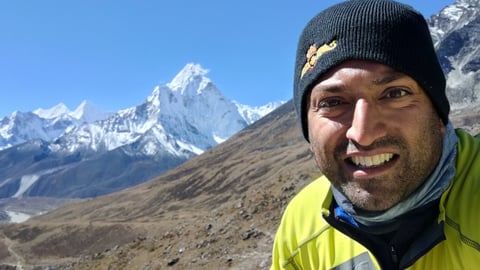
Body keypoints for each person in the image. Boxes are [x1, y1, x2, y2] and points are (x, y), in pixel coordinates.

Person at [270, 0, 480, 269]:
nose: (363, 133)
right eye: (333, 103)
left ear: (439, 115)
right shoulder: (302, 226)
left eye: (395, 94)